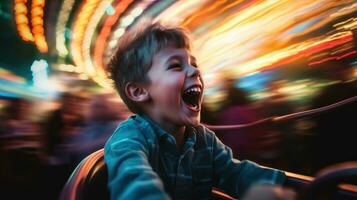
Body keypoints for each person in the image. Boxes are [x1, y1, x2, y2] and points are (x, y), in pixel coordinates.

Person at [104, 22, 289, 200]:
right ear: (139, 91)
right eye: (176, 65)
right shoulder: (129, 138)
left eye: (194, 64)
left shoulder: (204, 139)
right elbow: (134, 183)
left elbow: (236, 172)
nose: (194, 71)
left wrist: (284, 187)